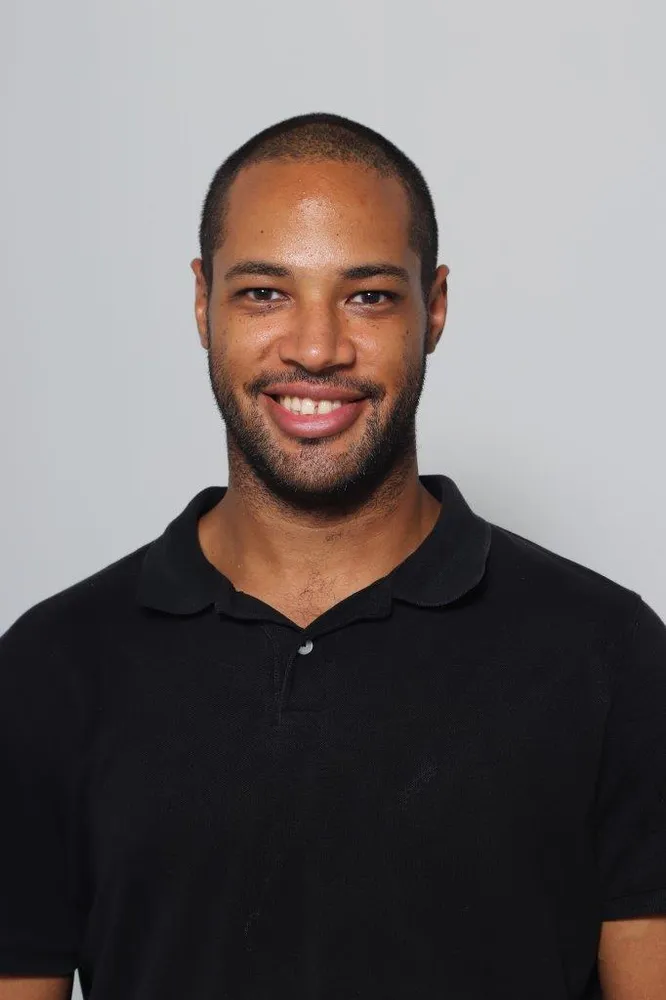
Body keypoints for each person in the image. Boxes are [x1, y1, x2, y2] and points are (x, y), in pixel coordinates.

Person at [1, 112, 665, 1000]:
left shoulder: (610, 655)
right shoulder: (52, 667)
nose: (316, 349)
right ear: (202, 303)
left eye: (368, 296)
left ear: (434, 307)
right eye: (264, 293)